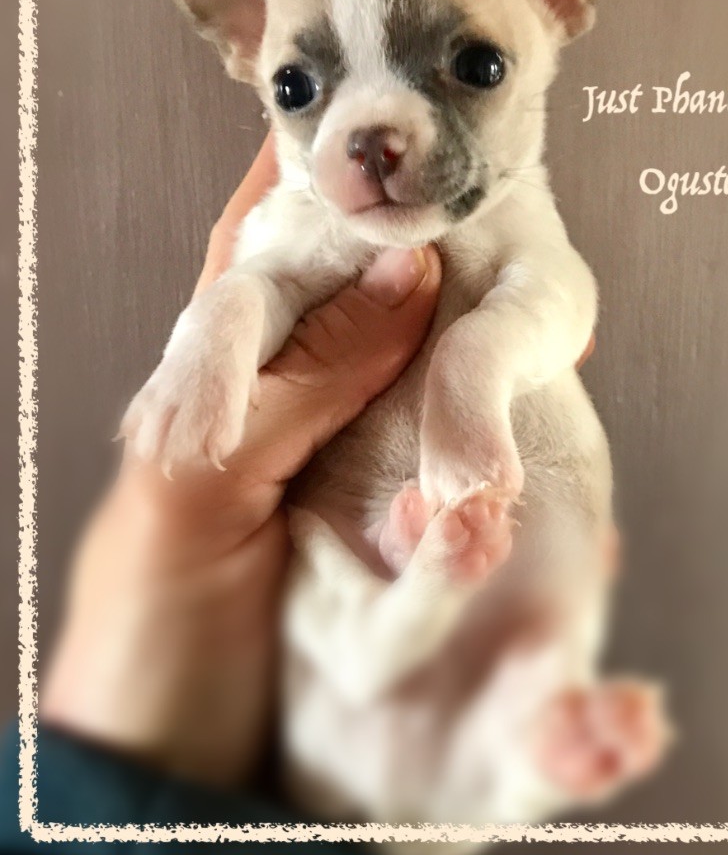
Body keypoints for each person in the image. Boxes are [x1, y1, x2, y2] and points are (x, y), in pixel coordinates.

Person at [1, 135, 593, 852]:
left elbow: (561, 296)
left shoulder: (511, 196)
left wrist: (482, 361)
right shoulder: (299, 213)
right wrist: (215, 333)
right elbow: (264, 280)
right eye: (297, 86)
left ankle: (516, 747)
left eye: (474, 77)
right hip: (362, 623)